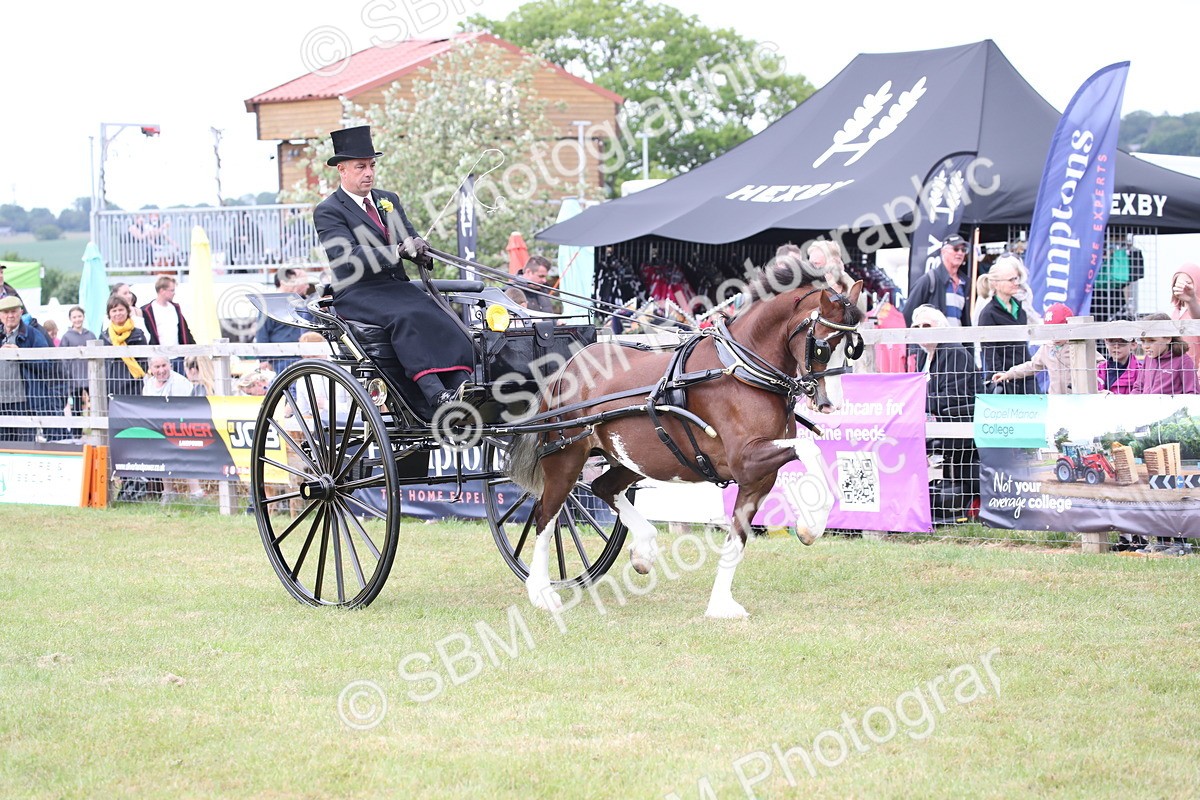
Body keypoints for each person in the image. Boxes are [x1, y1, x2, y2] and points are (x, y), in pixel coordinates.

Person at [312, 125, 475, 410]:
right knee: (409, 315)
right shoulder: (329, 210)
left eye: (372, 166)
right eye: (361, 167)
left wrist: (420, 251)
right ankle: (435, 394)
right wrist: (397, 250)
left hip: (395, 288)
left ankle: (463, 385)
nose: (369, 173)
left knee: (443, 313)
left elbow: (407, 237)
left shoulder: (388, 200)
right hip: (358, 292)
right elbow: (348, 255)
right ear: (342, 170)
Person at [911, 304, 984, 521]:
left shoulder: (953, 352)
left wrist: (915, 403)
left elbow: (954, 397)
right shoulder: (926, 357)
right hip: (936, 422)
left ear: (941, 327)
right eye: (917, 326)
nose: (922, 329)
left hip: (962, 422)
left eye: (927, 325)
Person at [977, 255, 1038, 394]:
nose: (1016, 282)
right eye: (1011, 279)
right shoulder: (988, 314)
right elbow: (989, 352)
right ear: (996, 283)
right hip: (1003, 378)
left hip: (1025, 376)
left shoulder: (1020, 310)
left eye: (1017, 278)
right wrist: (999, 378)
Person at [991, 303, 1084, 394]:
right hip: (1055, 400)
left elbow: (1097, 363)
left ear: (1069, 327)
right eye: (1050, 332)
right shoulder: (1047, 348)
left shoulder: (1078, 346)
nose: (1055, 337)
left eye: (1059, 331)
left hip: (1078, 399)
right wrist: (1008, 374)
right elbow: (1031, 366)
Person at [0, 295, 49, 441]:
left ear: (21, 312)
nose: (10, 316)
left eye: (14, 311)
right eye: (6, 312)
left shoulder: (33, 335)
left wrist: (20, 355)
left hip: (24, 402)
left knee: (24, 445)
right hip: (1, 402)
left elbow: (46, 364)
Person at [902, 234, 972, 327]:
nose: (960, 253)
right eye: (956, 249)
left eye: (963, 250)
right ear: (943, 252)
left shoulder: (965, 282)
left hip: (958, 340)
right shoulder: (929, 280)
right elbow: (907, 314)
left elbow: (964, 320)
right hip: (935, 340)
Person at [255, 267, 311, 372]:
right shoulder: (269, 304)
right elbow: (262, 333)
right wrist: (263, 360)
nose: (296, 284)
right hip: (280, 359)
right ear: (283, 282)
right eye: (293, 281)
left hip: (302, 356)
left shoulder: (300, 303)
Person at [1131, 312, 1197, 395]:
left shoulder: (1184, 361)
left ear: (1168, 338)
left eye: (1152, 340)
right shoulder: (1148, 359)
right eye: (1143, 341)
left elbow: (1192, 393)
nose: (1145, 346)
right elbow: (1138, 387)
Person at [100, 295, 148, 397]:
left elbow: (144, 362)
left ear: (127, 311)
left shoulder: (138, 335)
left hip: (134, 386)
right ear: (109, 314)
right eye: (114, 310)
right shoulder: (104, 336)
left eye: (121, 310)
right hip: (111, 387)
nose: (118, 313)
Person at [140, 275, 195, 353]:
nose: (174, 293)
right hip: (158, 358)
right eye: (172, 290)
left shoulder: (175, 308)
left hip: (178, 356)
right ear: (162, 291)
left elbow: (185, 331)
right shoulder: (147, 310)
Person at [59, 306, 95, 414]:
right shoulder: (66, 337)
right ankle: (77, 431)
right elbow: (63, 359)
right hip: (74, 379)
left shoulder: (91, 335)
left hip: (90, 377)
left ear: (83, 317)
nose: (77, 319)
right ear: (70, 319)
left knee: (96, 405)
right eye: (74, 317)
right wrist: (67, 375)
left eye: (79, 316)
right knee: (76, 408)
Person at [1167, 263, 1200, 368]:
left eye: (1189, 282)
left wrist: (1192, 300)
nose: (1184, 287)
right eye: (1179, 283)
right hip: (1177, 372)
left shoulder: (1195, 308)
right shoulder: (1174, 312)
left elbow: (1197, 316)